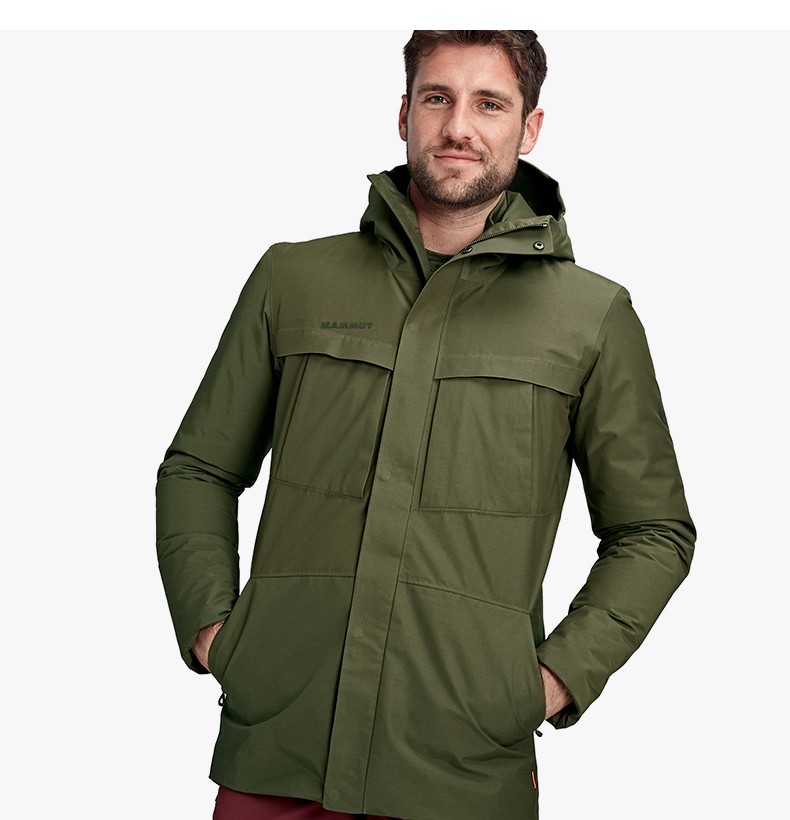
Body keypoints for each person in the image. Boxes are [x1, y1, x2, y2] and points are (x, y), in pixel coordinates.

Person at [156, 30, 695, 820]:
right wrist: (213, 627)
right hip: (277, 754)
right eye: (438, 97)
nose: (458, 126)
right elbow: (198, 469)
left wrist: (554, 680)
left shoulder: (591, 317)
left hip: (462, 773)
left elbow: (653, 530)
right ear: (405, 113)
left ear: (530, 128)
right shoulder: (293, 279)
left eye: (490, 104)